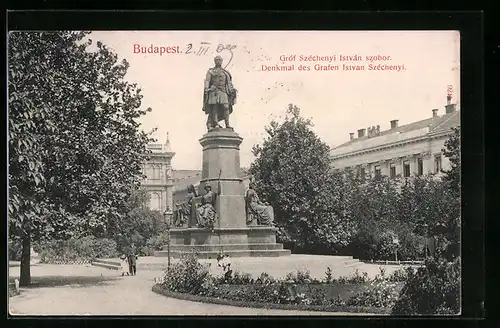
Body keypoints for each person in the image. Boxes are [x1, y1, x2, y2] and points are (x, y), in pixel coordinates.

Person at [202, 55, 237, 131]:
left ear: (222, 61)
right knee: (215, 108)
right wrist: (206, 88)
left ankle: (227, 124)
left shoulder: (225, 72)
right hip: (214, 91)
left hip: (223, 91)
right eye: (217, 60)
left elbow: (229, 83)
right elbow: (207, 81)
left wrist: (232, 89)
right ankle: (216, 123)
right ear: (215, 61)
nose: (218, 61)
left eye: (220, 60)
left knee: (226, 107)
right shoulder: (211, 71)